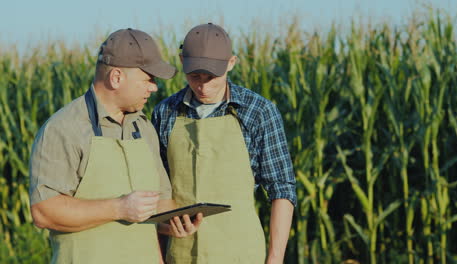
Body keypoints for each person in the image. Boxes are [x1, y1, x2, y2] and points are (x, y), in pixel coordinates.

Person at [29, 28, 202, 264]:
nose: (154, 87)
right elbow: (45, 211)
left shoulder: (144, 128)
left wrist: (174, 223)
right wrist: (119, 208)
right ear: (116, 78)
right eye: (148, 78)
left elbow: (159, 203)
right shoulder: (64, 128)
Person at [152, 23, 297, 263]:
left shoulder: (258, 111)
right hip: (181, 254)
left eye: (212, 76)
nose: (203, 86)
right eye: (194, 76)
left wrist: (274, 259)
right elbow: (158, 189)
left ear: (231, 63)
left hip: (240, 252)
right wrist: (164, 228)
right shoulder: (165, 112)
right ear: (181, 61)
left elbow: (281, 188)